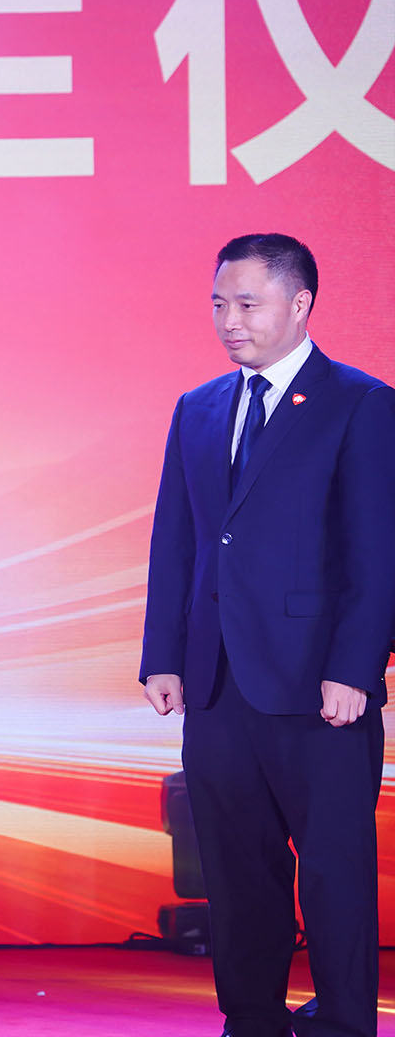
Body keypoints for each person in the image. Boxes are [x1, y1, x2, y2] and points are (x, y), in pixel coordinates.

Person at [139, 233, 393, 1037]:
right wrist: (163, 656)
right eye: (220, 303)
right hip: (216, 683)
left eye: (247, 303)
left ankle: (346, 1022)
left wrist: (356, 667)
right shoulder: (198, 407)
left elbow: (377, 548)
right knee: (237, 869)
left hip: (319, 685)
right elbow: (177, 541)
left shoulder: (360, 402)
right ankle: (250, 1018)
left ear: (300, 303)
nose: (230, 320)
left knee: (334, 871)